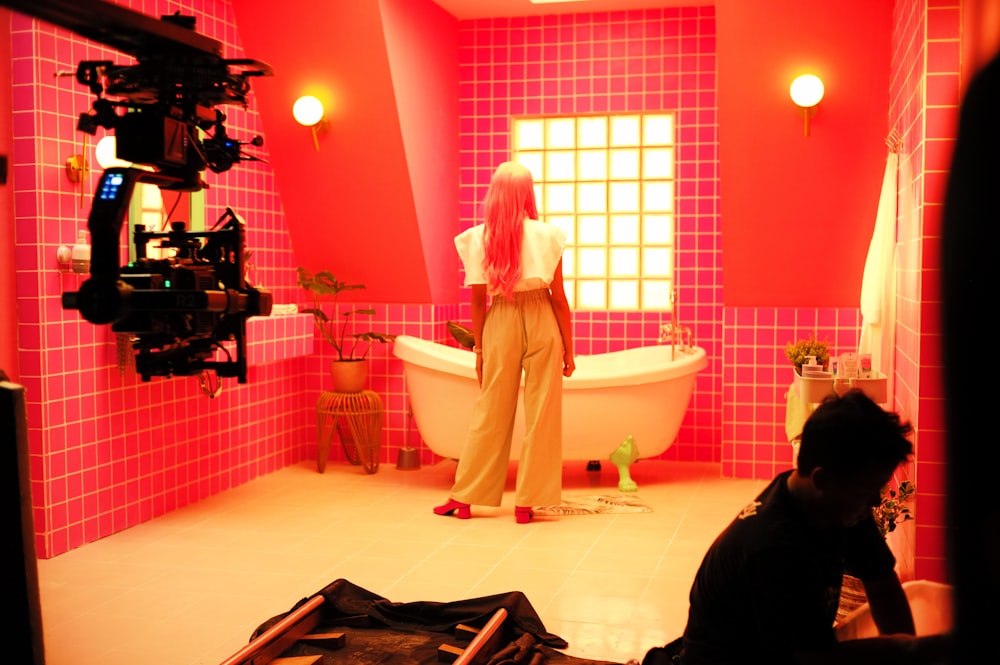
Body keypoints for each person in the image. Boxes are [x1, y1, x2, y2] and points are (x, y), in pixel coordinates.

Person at [657, 389, 950, 665]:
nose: (875, 500)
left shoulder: (839, 501)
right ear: (822, 480)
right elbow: (812, 659)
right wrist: (910, 650)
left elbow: (883, 585)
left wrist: (910, 651)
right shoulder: (772, 547)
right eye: (867, 489)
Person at [433, 161, 575, 524]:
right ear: (528, 194)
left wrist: (480, 348)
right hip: (542, 316)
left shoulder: (477, 237)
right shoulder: (549, 236)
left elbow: (478, 301)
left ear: (494, 194)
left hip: (500, 318)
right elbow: (559, 298)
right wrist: (569, 347)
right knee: (543, 411)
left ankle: (464, 498)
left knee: (491, 409)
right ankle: (528, 502)